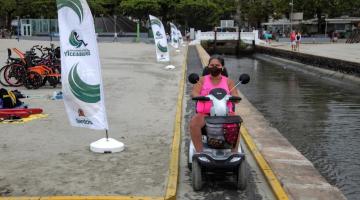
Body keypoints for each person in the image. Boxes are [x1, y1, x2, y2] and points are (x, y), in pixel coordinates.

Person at [189, 55, 240, 153]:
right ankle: (200, 152)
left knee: (236, 122)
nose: (214, 67)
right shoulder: (201, 80)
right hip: (205, 114)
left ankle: (234, 152)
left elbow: (235, 95)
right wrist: (200, 97)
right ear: (208, 66)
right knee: (194, 123)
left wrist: (234, 98)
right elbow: (194, 92)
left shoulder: (229, 82)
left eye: (217, 65)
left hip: (225, 113)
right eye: (212, 65)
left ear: (222, 67)